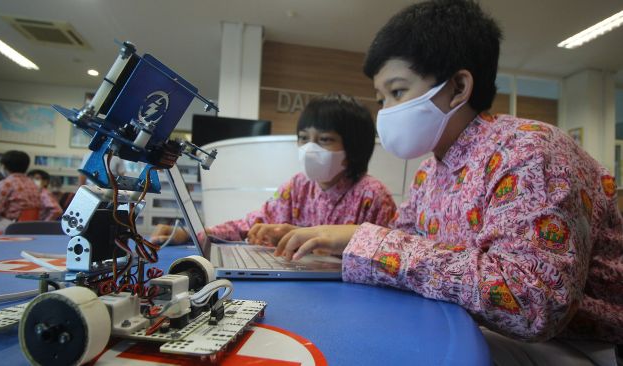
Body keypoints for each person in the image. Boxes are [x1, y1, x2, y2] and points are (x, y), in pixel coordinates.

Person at [273, 1, 623, 365]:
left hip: (577, 345)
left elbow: (532, 304)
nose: (386, 113)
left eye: (397, 92)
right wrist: (328, 246)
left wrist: (368, 242)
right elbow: (407, 250)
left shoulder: (529, 151)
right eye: (381, 99)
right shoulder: (430, 172)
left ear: (457, 87)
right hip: (475, 325)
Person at [152, 93, 397, 246]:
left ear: (354, 147)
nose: (309, 148)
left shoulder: (374, 196)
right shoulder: (298, 186)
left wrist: (300, 238)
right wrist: (189, 234)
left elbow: (384, 256)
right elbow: (246, 225)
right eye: (303, 138)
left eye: (324, 139)